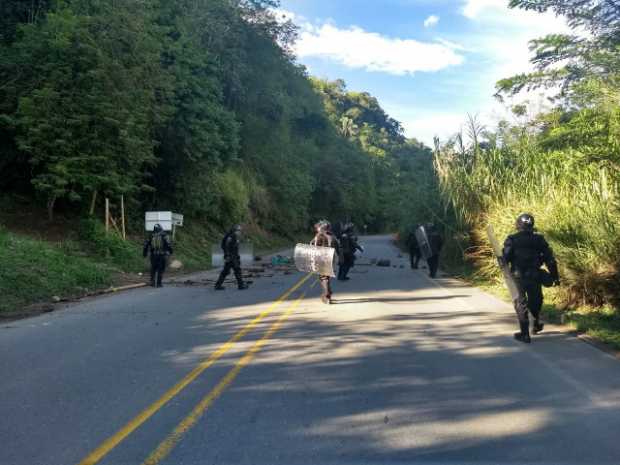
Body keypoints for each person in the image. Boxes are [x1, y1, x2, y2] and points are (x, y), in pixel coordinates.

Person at [502, 213, 560, 343]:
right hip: (534, 275)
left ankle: (525, 334)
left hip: (518, 277)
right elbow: (550, 260)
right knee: (536, 300)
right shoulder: (539, 239)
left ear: (518, 225)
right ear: (531, 225)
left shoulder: (512, 239)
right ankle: (536, 324)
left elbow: (505, 259)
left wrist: (503, 263)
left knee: (520, 303)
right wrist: (555, 277)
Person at [311, 220, 339, 304]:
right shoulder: (332, 236)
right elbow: (337, 248)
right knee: (326, 277)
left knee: (324, 278)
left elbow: (312, 247)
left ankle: (327, 296)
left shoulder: (318, 236)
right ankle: (328, 294)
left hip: (321, 259)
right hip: (330, 259)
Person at [215, 225, 248, 291]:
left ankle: (218, 285)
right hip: (231, 257)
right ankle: (241, 285)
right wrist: (227, 255)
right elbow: (226, 246)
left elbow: (233, 247)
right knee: (237, 270)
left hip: (232, 256)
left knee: (226, 271)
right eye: (238, 231)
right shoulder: (230, 237)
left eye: (240, 231)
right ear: (235, 230)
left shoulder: (233, 236)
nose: (239, 232)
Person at [143, 223, 173, 288]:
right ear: (161, 229)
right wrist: (170, 251)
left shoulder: (151, 235)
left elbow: (145, 245)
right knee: (161, 269)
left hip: (153, 255)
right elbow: (169, 244)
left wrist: (144, 253)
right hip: (162, 255)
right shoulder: (164, 235)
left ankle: (152, 282)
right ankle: (159, 283)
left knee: (153, 268)